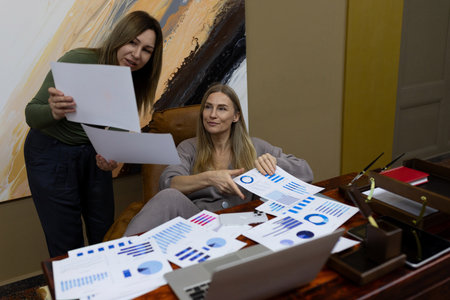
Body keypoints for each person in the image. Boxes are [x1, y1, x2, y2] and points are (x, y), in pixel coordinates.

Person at [24, 11, 163, 257]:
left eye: (146, 50)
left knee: (105, 233)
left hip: (91, 154)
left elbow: (116, 135)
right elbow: (31, 113)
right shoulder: (78, 60)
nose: (136, 54)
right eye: (133, 42)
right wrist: (54, 112)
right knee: (66, 241)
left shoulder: (134, 79)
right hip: (50, 154)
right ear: (120, 37)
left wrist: (112, 158)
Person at [124, 83, 313, 236]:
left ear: (235, 116)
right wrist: (210, 178)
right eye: (208, 107)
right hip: (199, 223)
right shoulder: (188, 147)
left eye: (222, 109)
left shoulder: (255, 147)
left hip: (243, 222)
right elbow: (169, 184)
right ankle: (121, 256)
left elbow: (306, 172)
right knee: (168, 196)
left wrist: (273, 164)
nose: (212, 115)